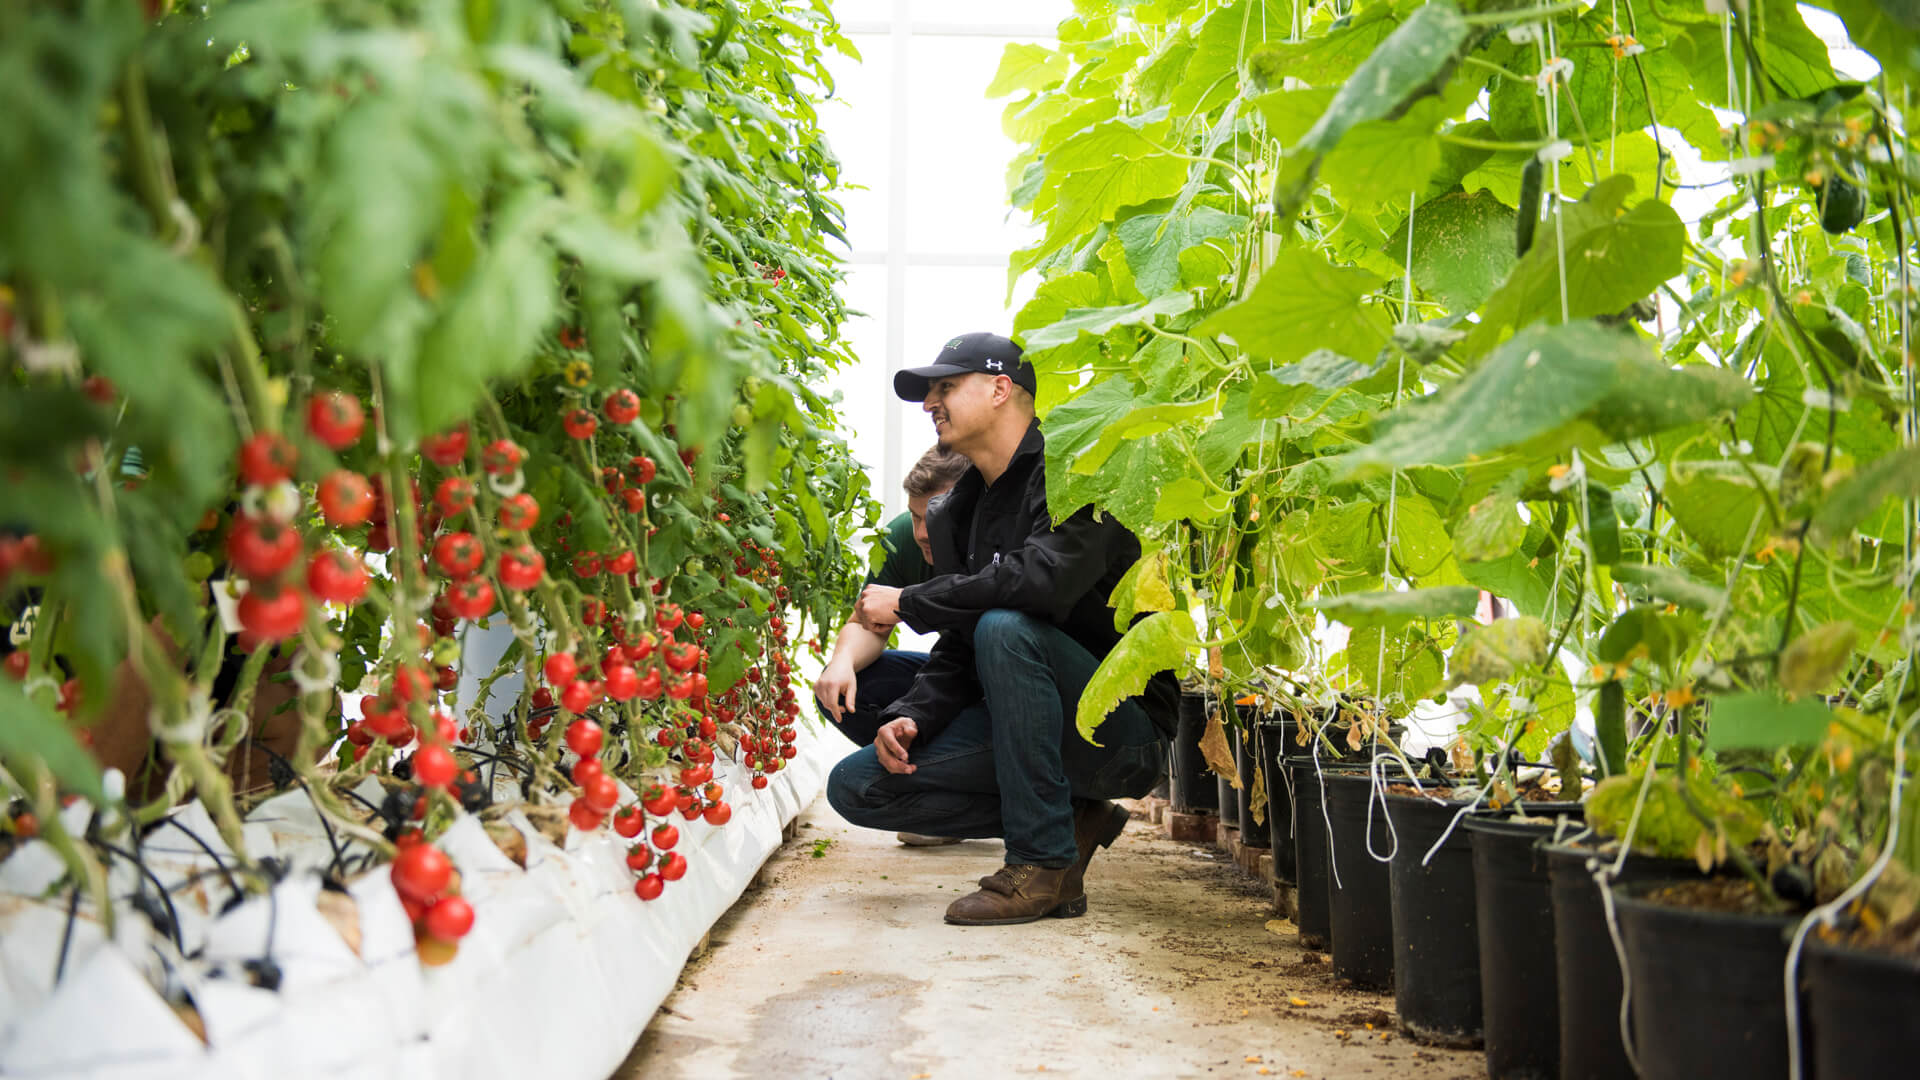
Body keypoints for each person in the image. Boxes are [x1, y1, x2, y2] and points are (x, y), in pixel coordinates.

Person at [825, 332, 1176, 925]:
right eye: (928, 392)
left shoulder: (1079, 470)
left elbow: (1044, 583)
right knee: (857, 788)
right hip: (1026, 722)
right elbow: (959, 643)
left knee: (1006, 627)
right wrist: (915, 716)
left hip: (1121, 732)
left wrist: (911, 599)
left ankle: (1040, 866)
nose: (930, 402)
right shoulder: (956, 509)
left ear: (1000, 388)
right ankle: (1071, 816)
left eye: (945, 387)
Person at [813, 445, 969, 748]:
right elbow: (866, 622)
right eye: (914, 516)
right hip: (950, 675)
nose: (922, 533)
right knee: (840, 690)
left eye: (934, 518)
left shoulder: (993, 543)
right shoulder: (902, 539)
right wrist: (842, 660)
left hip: (997, 679)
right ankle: (911, 766)